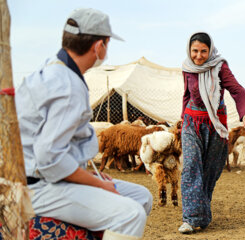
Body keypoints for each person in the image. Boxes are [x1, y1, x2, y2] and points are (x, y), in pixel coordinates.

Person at [15, 8, 152, 240]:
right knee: (130, 215)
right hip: (38, 185)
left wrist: (90, 175)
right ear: (98, 46)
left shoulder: (53, 69)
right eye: (107, 44)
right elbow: (50, 158)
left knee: (141, 196)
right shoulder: (68, 86)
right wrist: (96, 184)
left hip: (44, 175)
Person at [178, 32, 245, 233]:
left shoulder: (220, 67)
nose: (199, 56)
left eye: (204, 51)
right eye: (195, 51)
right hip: (191, 122)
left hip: (215, 124)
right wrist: (183, 118)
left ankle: (202, 213)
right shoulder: (187, 68)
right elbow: (186, 95)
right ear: (189, 50)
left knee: (210, 171)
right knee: (191, 166)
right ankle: (191, 218)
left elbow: (237, 91)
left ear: (210, 50)